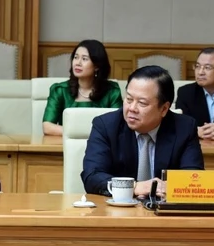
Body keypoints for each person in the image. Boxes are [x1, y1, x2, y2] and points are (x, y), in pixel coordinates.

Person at [81, 66, 204, 198]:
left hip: (164, 208)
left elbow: (193, 177)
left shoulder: (184, 128)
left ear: (164, 109)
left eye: (142, 103)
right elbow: (92, 176)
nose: (132, 108)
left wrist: (171, 187)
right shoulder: (106, 126)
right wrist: (134, 187)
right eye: (129, 99)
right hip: (118, 207)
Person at [43, 39, 122, 136]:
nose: (78, 63)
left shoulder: (112, 92)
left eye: (84, 59)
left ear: (97, 66)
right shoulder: (60, 90)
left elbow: (118, 125)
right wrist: (78, 133)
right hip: (68, 144)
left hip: (101, 144)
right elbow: (47, 127)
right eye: (76, 57)